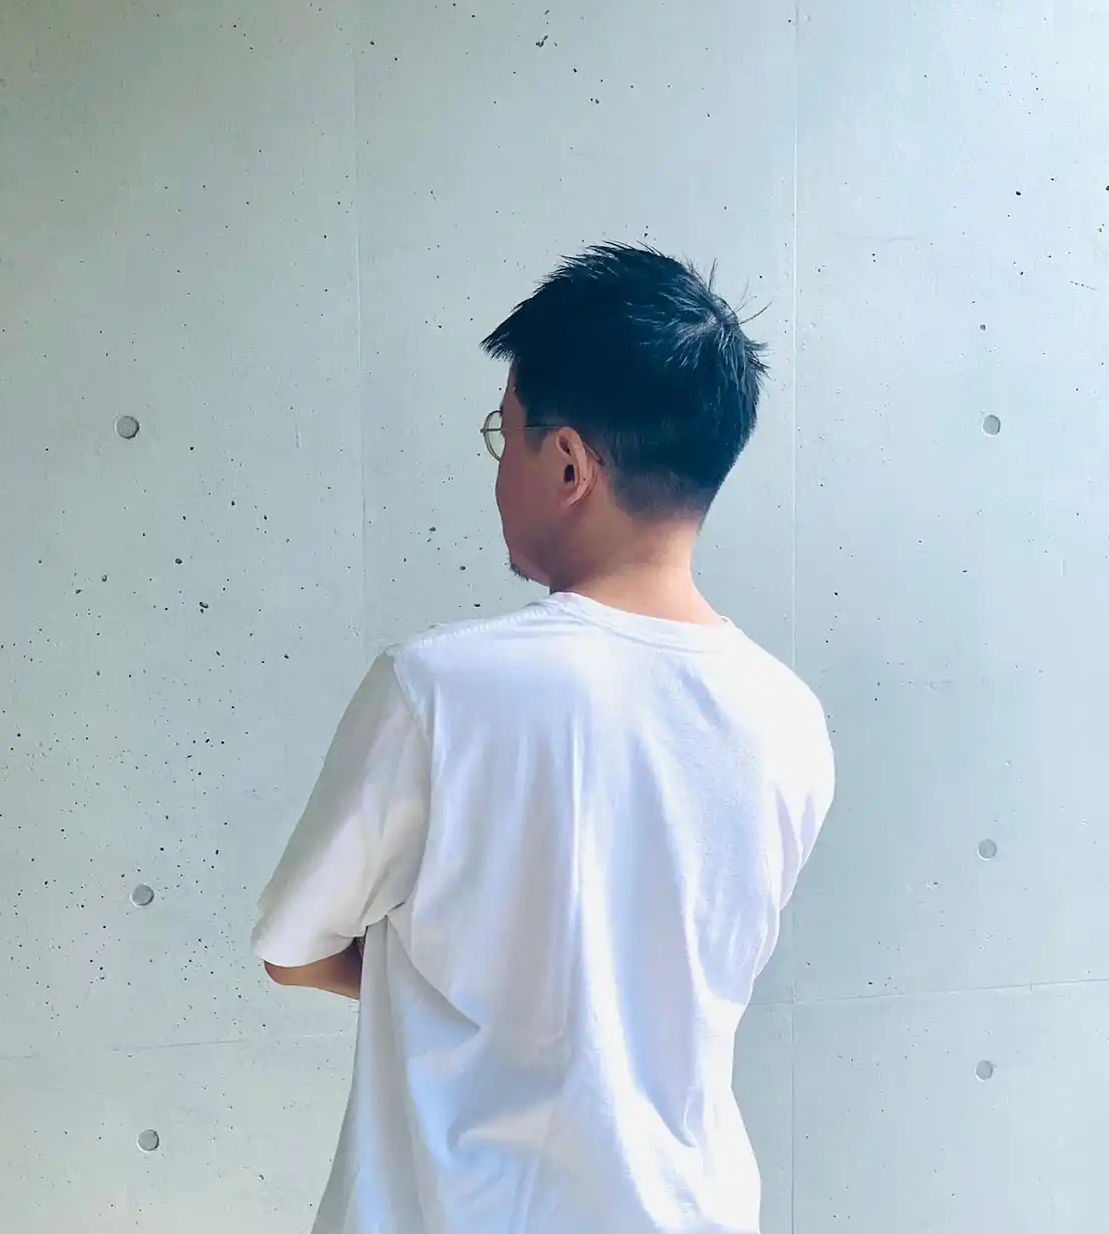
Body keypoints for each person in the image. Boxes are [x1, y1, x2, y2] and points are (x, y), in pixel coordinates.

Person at [252, 243, 835, 1234]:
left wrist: (455, 991)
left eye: (503, 434)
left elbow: (292, 948)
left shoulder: (437, 691)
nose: (498, 469)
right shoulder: (788, 718)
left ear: (566, 462)